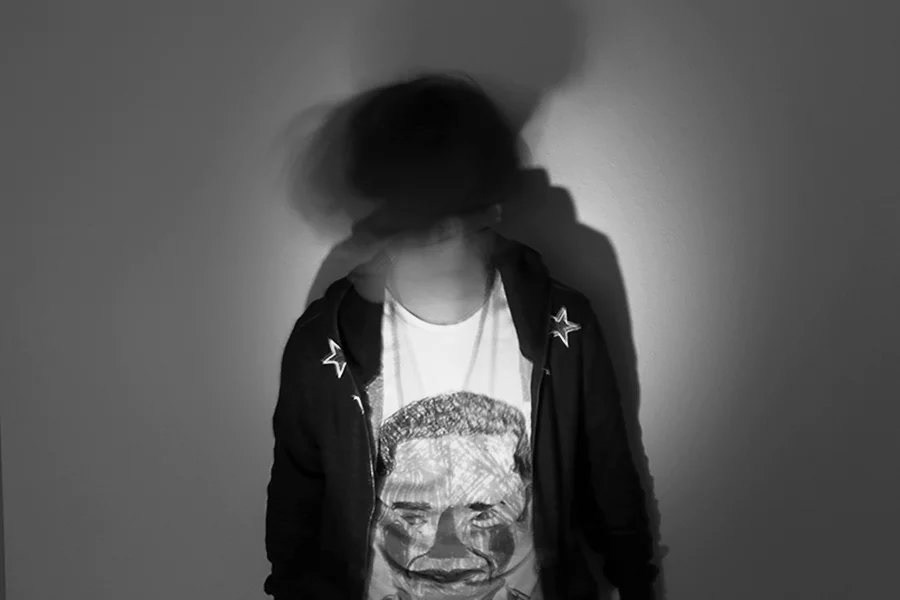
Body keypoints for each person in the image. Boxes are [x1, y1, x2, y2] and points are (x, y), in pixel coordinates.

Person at [264, 72, 659, 600]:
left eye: (484, 510)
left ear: (480, 213)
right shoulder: (323, 344)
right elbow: (295, 510)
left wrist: (637, 582)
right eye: (396, 224)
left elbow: (611, 481)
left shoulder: (564, 328)